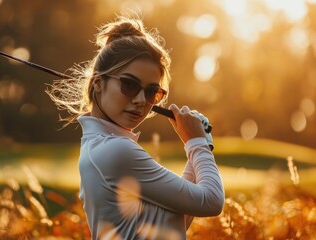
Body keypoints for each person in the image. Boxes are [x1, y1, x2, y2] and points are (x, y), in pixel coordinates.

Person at [47, 15, 224, 240]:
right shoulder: (116, 151)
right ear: (98, 83)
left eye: (152, 92)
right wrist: (196, 143)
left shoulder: (100, 147)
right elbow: (211, 201)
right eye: (129, 84)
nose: (141, 99)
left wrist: (199, 141)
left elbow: (177, 219)